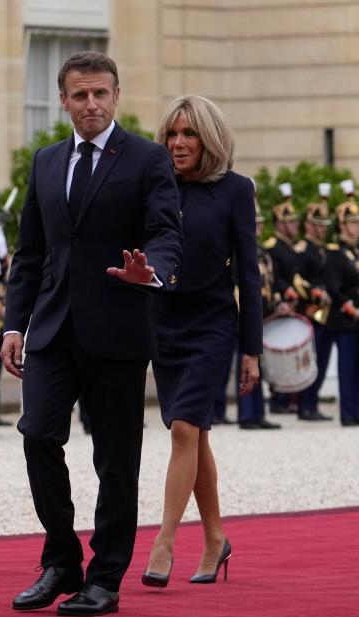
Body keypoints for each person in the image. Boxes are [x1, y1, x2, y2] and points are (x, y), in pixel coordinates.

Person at [1, 52, 182, 616]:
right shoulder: (47, 161)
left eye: (101, 94)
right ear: (64, 101)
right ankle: (60, 561)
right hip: (53, 331)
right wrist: (14, 323)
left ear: (117, 96)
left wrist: (148, 270)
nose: (91, 105)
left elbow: (166, 233)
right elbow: (31, 253)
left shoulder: (149, 160)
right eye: (80, 96)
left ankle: (105, 577)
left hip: (119, 329)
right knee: (37, 436)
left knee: (116, 460)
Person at [141, 95, 261, 590]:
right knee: (195, 436)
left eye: (188, 133)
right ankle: (215, 538)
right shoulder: (155, 187)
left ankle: (163, 541)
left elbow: (249, 275)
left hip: (213, 325)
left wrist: (251, 349)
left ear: (208, 138)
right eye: (171, 134)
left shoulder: (235, 190)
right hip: (164, 323)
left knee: (184, 429)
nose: (177, 143)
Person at [238, 198, 285, 430]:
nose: (256, 227)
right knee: (246, 363)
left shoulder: (262, 252)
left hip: (264, 312)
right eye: (253, 223)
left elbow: (269, 282)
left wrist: (276, 302)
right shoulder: (238, 249)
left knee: (260, 365)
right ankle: (247, 415)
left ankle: (258, 413)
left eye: (259, 223)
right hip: (243, 312)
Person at [294, 187, 335, 421]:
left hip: (327, 314)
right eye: (318, 224)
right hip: (311, 311)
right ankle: (305, 405)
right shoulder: (303, 249)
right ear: (308, 225)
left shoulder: (324, 250)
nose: (323, 228)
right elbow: (297, 278)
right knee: (310, 361)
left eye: (325, 224)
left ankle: (313, 402)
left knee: (323, 359)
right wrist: (314, 292)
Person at [263, 185, 303, 415]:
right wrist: (282, 297)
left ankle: (289, 399)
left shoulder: (291, 247)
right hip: (278, 306)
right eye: (290, 221)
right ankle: (278, 398)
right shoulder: (274, 247)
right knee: (278, 352)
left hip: (295, 304)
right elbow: (273, 277)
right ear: (279, 224)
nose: (294, 225)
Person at [325, 180, 359, 428]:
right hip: (346, 317)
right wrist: (352, 309)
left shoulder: (356, 251)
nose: (357, 226)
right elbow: (334, 288)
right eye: (353, 222)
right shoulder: (335, 252)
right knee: (347, 368)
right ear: (342, 225)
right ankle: (347, 413)